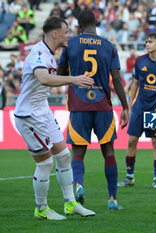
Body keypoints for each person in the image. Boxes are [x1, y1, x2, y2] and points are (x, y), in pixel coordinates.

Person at [14, 16, 95, 220]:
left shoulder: (52, 54)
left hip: (43, 111)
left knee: (64, 156)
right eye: (66, 31)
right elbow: (43, 77)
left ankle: (70, 204)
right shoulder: (38, 53)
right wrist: (73, 79)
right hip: (29, 116)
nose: (69, 35)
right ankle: (41, 208)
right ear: (55, 34)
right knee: (45, 164)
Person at [57, 10, 129, 210]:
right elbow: (116, 79)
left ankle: (79, 184)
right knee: (108, 151)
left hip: (79, 105)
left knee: (78, 152)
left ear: (78, 25)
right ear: (96, 22)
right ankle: (112, 200)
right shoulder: (109, 46)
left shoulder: (70, 44)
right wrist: (125, 106)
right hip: (103, 106)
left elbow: (60, 73)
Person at [117, 32, 156, 189]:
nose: (147, 44)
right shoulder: (140, 61)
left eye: (150, 42)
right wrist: (130, 106)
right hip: (139, 107)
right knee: (132, 140)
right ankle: (129, 176)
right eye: (146, 42)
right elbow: (134, 83)